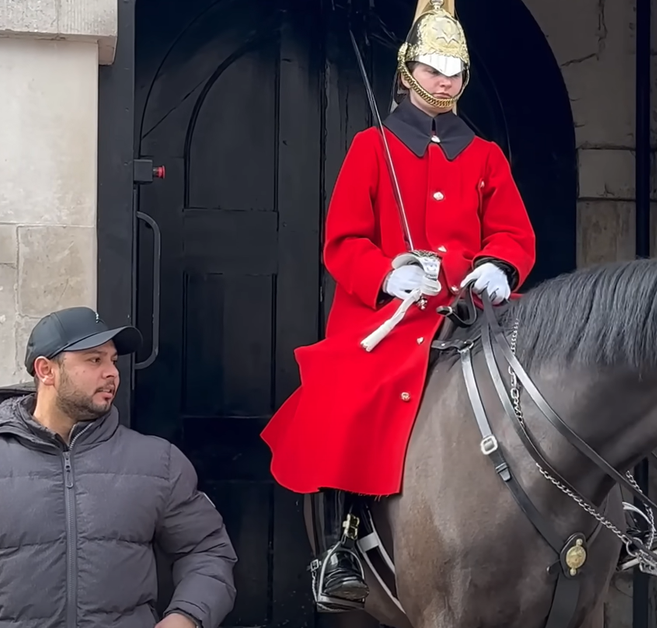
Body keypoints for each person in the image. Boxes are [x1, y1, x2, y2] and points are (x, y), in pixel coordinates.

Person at [258, 0, 537, 613]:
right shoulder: (371, 147)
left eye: (455, 70)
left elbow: (514, 233)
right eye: (435, 68)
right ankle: (343, 544)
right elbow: (343, 241)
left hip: (473, 308)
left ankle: (606, 520)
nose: (445, 80)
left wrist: (498, 265)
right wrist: (388, 271)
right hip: (391, 316)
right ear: (410, 70)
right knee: (343, 393)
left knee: (554, 381)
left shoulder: (486, 155)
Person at [0, 307, 238, 628]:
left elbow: (207, 551)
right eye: (94, 359)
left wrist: (186, 616)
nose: (112, 373)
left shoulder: (158, 463)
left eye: (113, 361)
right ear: (46, 370)